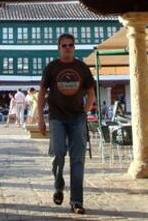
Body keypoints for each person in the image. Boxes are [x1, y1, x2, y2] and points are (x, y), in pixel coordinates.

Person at [38, 33, 95, 216]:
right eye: (64, 45)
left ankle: (76, 201)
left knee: (78, 159)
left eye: (71, 45)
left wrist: (85, 111)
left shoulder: (82, 67)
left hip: (77, 118)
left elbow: (91, 92)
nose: (68, 47)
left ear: (74, 47)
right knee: (58, 153)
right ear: (58, 48)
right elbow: (41, 93)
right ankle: (58, 184)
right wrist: (40, 118)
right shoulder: (51, 68)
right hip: (57, 118)